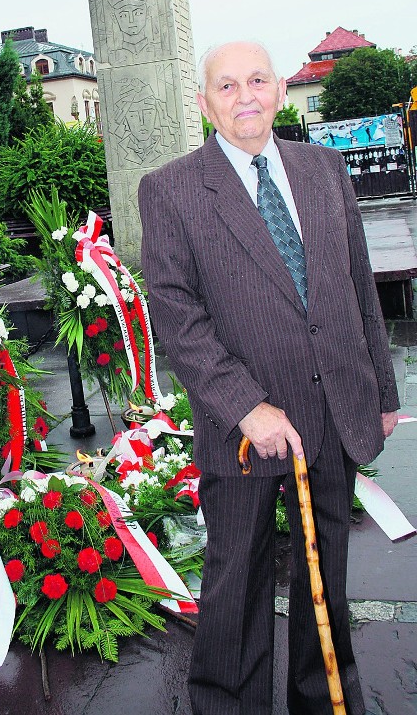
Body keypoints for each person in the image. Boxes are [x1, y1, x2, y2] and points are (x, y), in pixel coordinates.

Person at [138, 41, 399, 715]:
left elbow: (357, 289)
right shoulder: (170, 191)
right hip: (243, 429)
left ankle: (325, 699)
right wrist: (245, 404)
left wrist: (384, 392)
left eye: (257, 80)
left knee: (325, 579)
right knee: (236, 584)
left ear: (281, 90)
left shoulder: (325, 170)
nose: (244, 95)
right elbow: (177, 316)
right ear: (205, 104)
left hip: (333, 407)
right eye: (226, 86)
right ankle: (228, 704)